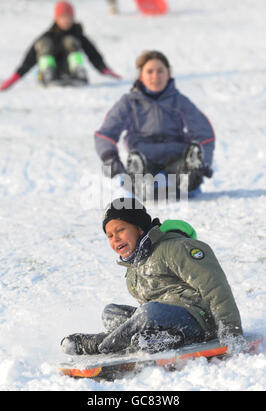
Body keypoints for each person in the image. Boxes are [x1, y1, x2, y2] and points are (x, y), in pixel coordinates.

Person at [61, 197, 243, 356]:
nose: (115, 238)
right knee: (110, 313)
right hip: (162, 322)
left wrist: (231, 332)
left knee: (148, 313)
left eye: (120, 230)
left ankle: (101, 345)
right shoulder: (135, 267)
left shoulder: (176, 248)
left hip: (199, 321)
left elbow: (215, 287)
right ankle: (156, 340)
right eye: (109, 235)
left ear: (139, 228)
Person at [94, 50, 215, 198]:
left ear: (168, 74)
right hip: (144, 157)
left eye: (160, 71)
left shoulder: (179, 101)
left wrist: (205, 162)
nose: (155, 76)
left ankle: (189, 175)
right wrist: (110, 159)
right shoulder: (129, 102)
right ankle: (139, 179)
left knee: (183, 170)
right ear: (141, 75)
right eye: (149, 71)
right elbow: (105, 135)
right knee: (142, 175)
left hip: (175, 157)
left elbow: (204, 133)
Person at [0, 1, 121, 90]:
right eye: (63, 17)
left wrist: (105, 69)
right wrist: (15, 77)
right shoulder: (48, 35)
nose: (66, 20)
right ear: (57, 18)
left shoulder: (77, 35)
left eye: (69, 17)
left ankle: (77, 73)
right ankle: (48, 74)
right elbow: (29, 59)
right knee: (43, 44)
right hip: (53, 71)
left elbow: (93, 54)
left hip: (69, 71)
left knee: (71, 41)